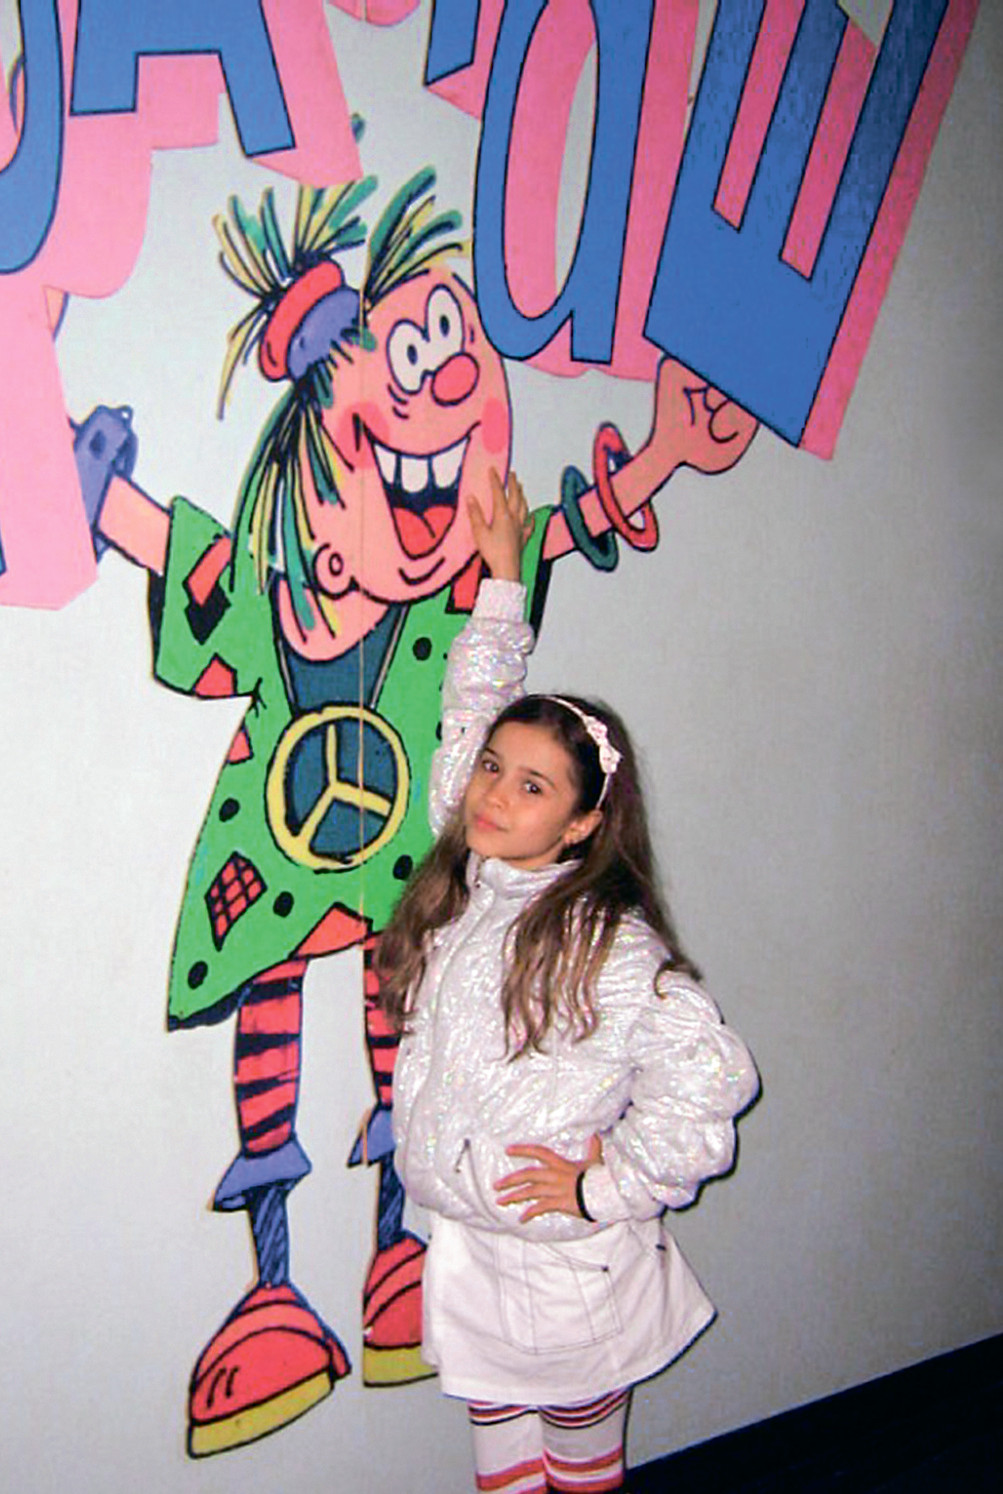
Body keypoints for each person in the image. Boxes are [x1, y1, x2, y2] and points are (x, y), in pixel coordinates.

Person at [380, 470, 759, 1493]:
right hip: (473, 1250)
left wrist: (606, 1185)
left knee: (580, 1472)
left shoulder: (606, 943)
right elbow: (472, 704)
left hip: (563, 1269)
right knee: (503, 1471)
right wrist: (503, 578)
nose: (493, 793)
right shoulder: (474, 873)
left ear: (585, 822)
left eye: (532, 785)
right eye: (491, 769)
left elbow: (713, 1078)